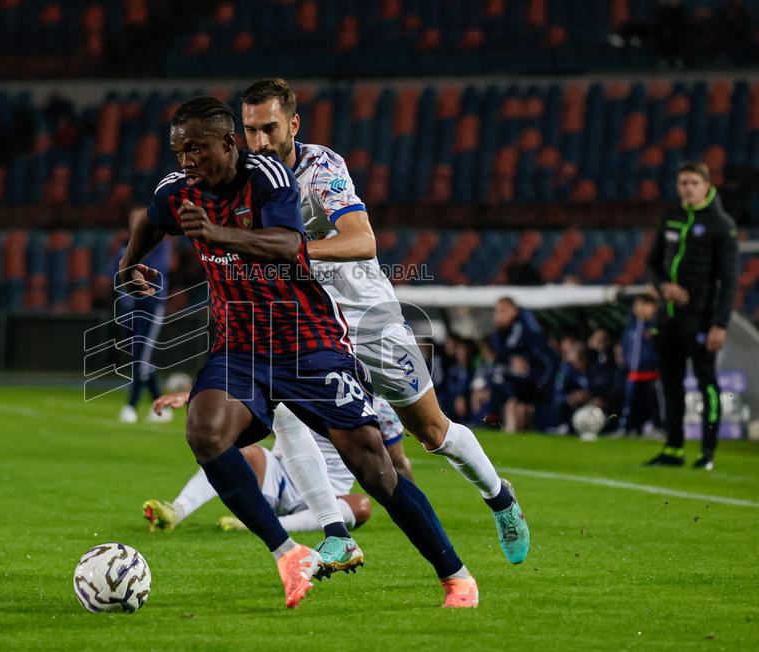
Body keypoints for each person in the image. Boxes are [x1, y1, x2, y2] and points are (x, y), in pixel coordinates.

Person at [119, 96, 477, 608]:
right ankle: (288, 553)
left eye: (197, 149)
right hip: (239, 347)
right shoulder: (179, 192)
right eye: (179, 151)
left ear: (228, 144)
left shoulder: (268, 177)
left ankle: (455, 574)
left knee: (374, 468)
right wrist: (132, 262)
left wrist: (217, 233)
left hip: (308, 343)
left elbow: (289, 245)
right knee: (205, 431)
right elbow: (152, 219)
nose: (186, 161)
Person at [240, 78, 529, 566]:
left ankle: (499, 497)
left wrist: (295, 251)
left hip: (368, 320)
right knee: (285, 414)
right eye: (250, 130)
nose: (261, 141)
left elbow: (362, 240)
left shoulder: (321, 167)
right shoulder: (244, 179)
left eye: (269, 128)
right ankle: (336, 531)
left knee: (432, 433)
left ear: (293, 123)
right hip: (308, 327)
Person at [142, 392, 405, 536]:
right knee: (239, 451)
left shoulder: (379, 406)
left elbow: (397, 461)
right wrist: (194, 395)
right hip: (280, 477)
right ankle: (176, 510)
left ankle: (266, 525)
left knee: (361, 506)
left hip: (330, 495)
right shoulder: (303, 377)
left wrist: (410, 511)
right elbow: (242, 389)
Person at [645, 162, 739, 470]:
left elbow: (729, 280)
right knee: (670, 385)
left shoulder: (721, 225)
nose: (687, 188)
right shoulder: (671, 218)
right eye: (683, 182)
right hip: (668, 318)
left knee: (706, 384)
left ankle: (707, 453)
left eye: (693, 183)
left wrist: (720, 324)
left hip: (701, 320)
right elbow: (652, 264)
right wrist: (664, 286)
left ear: (706, 186)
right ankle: (673, 448)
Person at [114, 206, 173, 424]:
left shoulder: (160, 244)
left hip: (150, 306)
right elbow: (116, 269)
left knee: (141, 359)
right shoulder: (124, 244)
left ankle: (131, 406)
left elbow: (154, 271)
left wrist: (129, 268)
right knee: (138, 358)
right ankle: (160, 403)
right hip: (129, 306)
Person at [491, 297, 558, 432]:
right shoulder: (500, 334)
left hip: (540, 385)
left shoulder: (527, 330)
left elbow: (548, 363)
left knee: (517, 406)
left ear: (515, 311)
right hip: (523, 384)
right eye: (496, 311)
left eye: (503, 311)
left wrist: (540, 387)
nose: (498, 315)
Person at [619, 295, 662, 435]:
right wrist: (625, 360)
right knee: (630, 402)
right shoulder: (631, 328)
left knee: (653, 402)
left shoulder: (656, 326)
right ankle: (629, 428)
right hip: (633, 373)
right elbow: (624, 347)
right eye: (636, 305)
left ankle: (657, 426)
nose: (639, 309)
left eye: (643, 305)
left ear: (653, 307)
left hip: (652, 373)